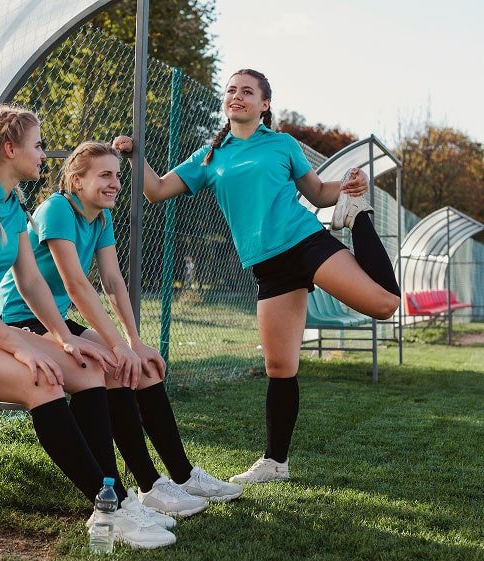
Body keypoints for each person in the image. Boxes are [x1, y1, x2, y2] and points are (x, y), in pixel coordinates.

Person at [0, 106, 177, 549]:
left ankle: (118, 499)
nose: (45, 154)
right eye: (39, 145)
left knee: (89, 369)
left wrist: (65, 339)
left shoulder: (12, 202)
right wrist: (19, 345)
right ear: (10, 149)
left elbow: (30, 283)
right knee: (41, 380)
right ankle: (107, 508)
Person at [113, 69, 401, 484]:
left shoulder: (282, 144)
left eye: (247, 91)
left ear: (264, 104)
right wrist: (134, 155)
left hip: (305, 243)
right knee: (279, 366)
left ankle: (357, 217)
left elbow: (318, 193)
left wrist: (348, 186)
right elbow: (155, 190)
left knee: (385, 305)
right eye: (231, 90)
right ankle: (275, 463)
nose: (237, 96)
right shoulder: (211, 156)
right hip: (267, 267)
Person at [0, 140, 243, 515]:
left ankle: (181, 475)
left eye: (118, 175)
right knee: (114, 365)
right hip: (21, 319)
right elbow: (77, 285)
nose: (115, 183)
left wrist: (133, 342)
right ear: (77, 181)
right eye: (105, 175)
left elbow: (112, 281)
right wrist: (118, 347)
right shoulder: (58, 209)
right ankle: (143, 485)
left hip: (55, 320)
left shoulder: (101, 217)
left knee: (143, 367)